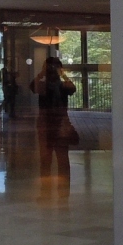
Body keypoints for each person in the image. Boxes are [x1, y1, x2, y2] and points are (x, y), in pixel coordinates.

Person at [30, 56, 77, 198]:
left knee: (53, 160)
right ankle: (58, 193)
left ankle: (49, 193)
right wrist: (59, 74)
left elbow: (72, 88)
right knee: (54, 160)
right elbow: (33, 86)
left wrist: (45, 73)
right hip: (52, 124)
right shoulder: (52, 86)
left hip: (52, 125)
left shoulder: (55, 86)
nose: (51, 71)